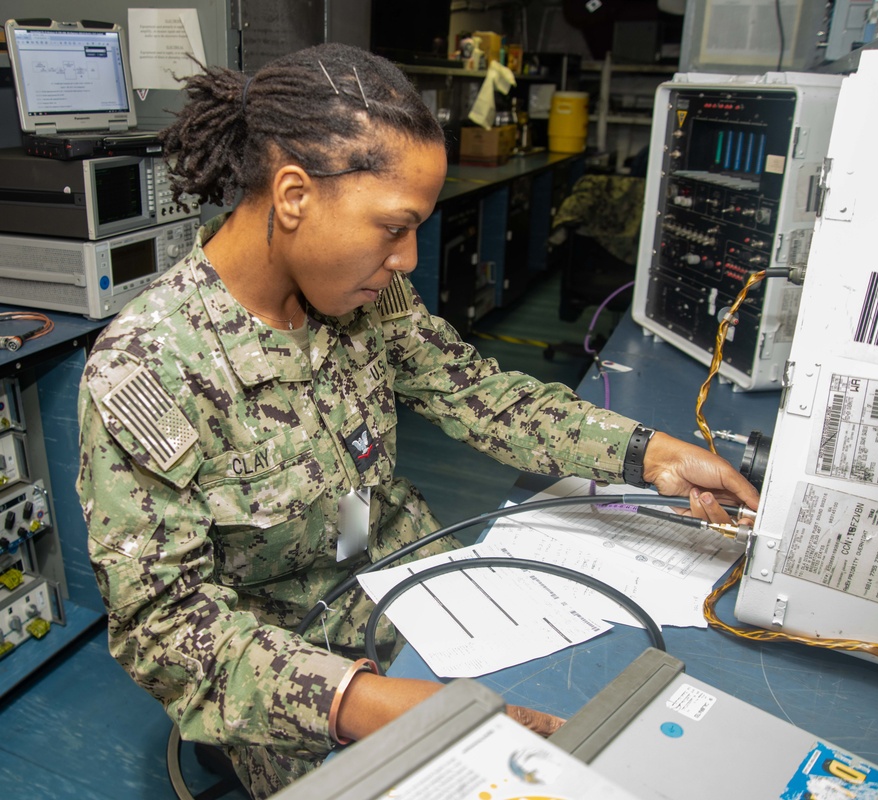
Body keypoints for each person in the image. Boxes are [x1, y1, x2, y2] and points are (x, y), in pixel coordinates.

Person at [76, 42, 759, 799]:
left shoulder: (361, 294)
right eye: (394, 227)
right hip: (285, 659)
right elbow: (164, 629)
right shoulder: (150, 367)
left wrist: (647, 454)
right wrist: (365, 702)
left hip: (409, 579)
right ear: (294, 195)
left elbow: (474, 391)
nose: (406, 260)